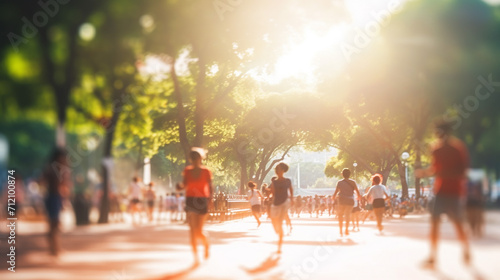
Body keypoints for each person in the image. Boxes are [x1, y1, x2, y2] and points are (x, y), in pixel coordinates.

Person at [415, 119, 471, 269]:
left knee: (457, 224)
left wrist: (439, 173)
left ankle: (466, 251)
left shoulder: (456, 149)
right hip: (441, 192)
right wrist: (424, 172)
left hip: (453, 192)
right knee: (435, 224)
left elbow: (462, 172)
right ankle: (433, 257)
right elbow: (435, 169)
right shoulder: (437, 149)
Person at [176, 148, 213, 264]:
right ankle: (196, 257)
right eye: (192, 159)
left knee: (199, 231)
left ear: (201, 158)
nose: (195, 161)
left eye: (197, 158)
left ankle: (206, 244)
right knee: (192, 231)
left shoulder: (206, 171)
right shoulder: (187, 171)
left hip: (202, 200)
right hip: (191, 200)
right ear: (190, 159)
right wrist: (179, 187)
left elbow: (211, 187)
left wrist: (210, 200)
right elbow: (184, 185)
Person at [40, 148, 72, 256]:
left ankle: (55, 247)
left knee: (54, 224)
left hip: (54, 198)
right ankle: (54, 248)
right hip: (54, 198)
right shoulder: (55, 170)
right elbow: (62, 185)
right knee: (54, 224)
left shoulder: (53, 169)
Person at [270, 162, 294, 253]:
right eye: (276, 169)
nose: (277, 171)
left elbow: (291, 190)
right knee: (274, 222)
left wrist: (291, 199)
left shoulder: (288, 181)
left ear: (283, 171)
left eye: (279, 169)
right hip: (276, 203)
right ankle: (278, 231)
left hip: (284, 203)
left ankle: (279, 246)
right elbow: (273, 193)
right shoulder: (274, 182)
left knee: (279, 222)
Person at [333, 168, 361, 237]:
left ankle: (340, 230)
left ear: (342, 174)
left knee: (340, 215)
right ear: (349, 174)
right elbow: (357, 192)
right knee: (348, 215)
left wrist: (333, 197)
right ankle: (346, 229)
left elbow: (336, 192)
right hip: (350, 200)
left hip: (342, 200)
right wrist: (359, 198)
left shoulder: (339, 182)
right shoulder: (353, 182)